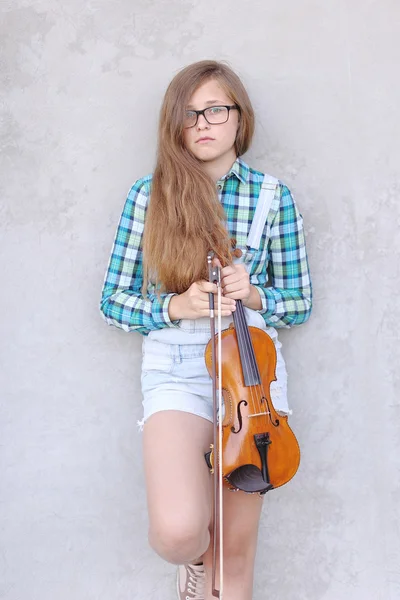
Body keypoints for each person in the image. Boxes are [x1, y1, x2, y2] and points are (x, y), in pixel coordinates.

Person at [100, 60, 312, 600]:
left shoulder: (273, 197)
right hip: (176, 366)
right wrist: (177, 307)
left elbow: (300, 302)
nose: (202, 122)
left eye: (215, 109)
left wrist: (255, 293)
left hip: (252, 374)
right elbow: (113, 301)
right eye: (189, 113)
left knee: (235, 556)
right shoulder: (148, 196)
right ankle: (192, 558)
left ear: (239, 117)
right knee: (178, 531)